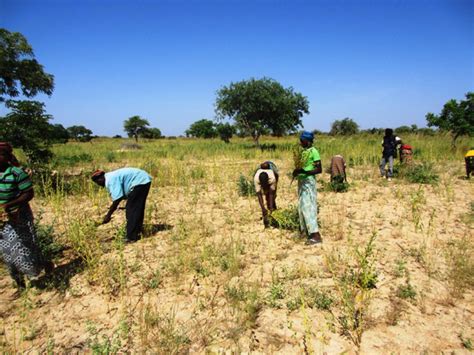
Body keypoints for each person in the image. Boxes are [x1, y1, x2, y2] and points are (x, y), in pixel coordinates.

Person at [0, 144, 52, 289]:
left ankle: (41, 268)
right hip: (2, 220)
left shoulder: (17, 173)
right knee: (7, 252)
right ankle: (19, 282)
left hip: (19, 217)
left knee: (25, 247)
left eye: (1, 155)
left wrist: (8, 205)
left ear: (8, 157)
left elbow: (28, 194)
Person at [91, 167, 152, 242]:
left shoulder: (110, 180)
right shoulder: (110, 177)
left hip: (140, 181)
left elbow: (117, 198)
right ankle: (137, 232)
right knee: (136, 208)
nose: (99, 185)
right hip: (143, 180)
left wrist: (108, 215)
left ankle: (132, 237)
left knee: (132, 210)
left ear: (99, 179)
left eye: (97, 183)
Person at [292, 131, 322, 245]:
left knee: (308, 207)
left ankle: (316, 235)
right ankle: (305, 231)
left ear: (308, 141)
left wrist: (304, 171)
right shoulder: (304, 152)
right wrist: (297, 172)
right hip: (302, 181)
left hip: (308, 182)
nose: (300, 142)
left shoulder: (314, 151)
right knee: (301, 207)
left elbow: (319, 169)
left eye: (302, 140)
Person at [254, 161, 279, 227]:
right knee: (266, 194)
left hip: (273, 168)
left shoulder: (273, 178)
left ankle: (273, 207)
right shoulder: (256, 179)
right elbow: (259, 195)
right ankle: (269, 209)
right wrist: (263, 208)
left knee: (271, 195)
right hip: (261, 171)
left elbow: (271, 194)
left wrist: (271, 208)